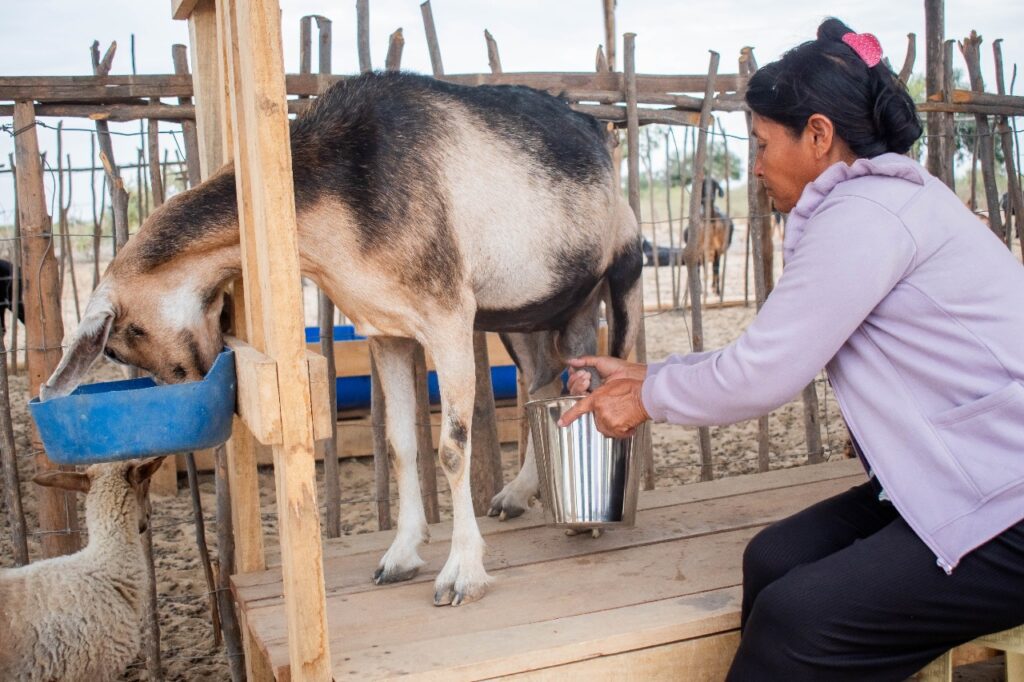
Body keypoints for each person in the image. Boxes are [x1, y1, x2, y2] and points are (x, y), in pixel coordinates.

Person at [558, 17, 1024, 681]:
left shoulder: (867, 216)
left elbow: (764, 373)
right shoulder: (877, 202)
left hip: (1008, 501)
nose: (754, 165)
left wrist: (648, 398)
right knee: (775, 560)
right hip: (960, 475)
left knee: (798, 621)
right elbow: (772, 351)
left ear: (818, 136)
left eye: (761, 142)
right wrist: (650, 373)